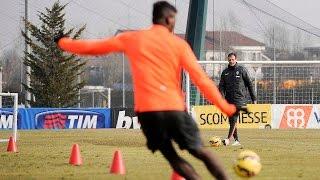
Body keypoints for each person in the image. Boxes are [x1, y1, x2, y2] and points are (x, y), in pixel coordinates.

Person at [56, 1, 246, 179]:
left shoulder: (132, 38)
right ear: (168, 19)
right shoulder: (179, 45)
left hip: (148, 114)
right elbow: (202, 81)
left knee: (173, 158)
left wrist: (64, 42)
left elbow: (94, 47)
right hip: (173, 110)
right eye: (174, 19)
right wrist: (227, 108)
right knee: (199, 151)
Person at [219, 52, 257, 146]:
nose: (231, 61)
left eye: (233, 59)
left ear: (236, 59)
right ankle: (236, 140)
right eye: (229, 60)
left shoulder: (242, 70)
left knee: (233, 118)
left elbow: (249, 84)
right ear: (228, 60)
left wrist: (254, 98)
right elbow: (221, 86)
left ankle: (228, 139)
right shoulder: (225, 72)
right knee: (231, 120)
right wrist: (222, 98)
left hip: (239, 99)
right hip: (229, 99)